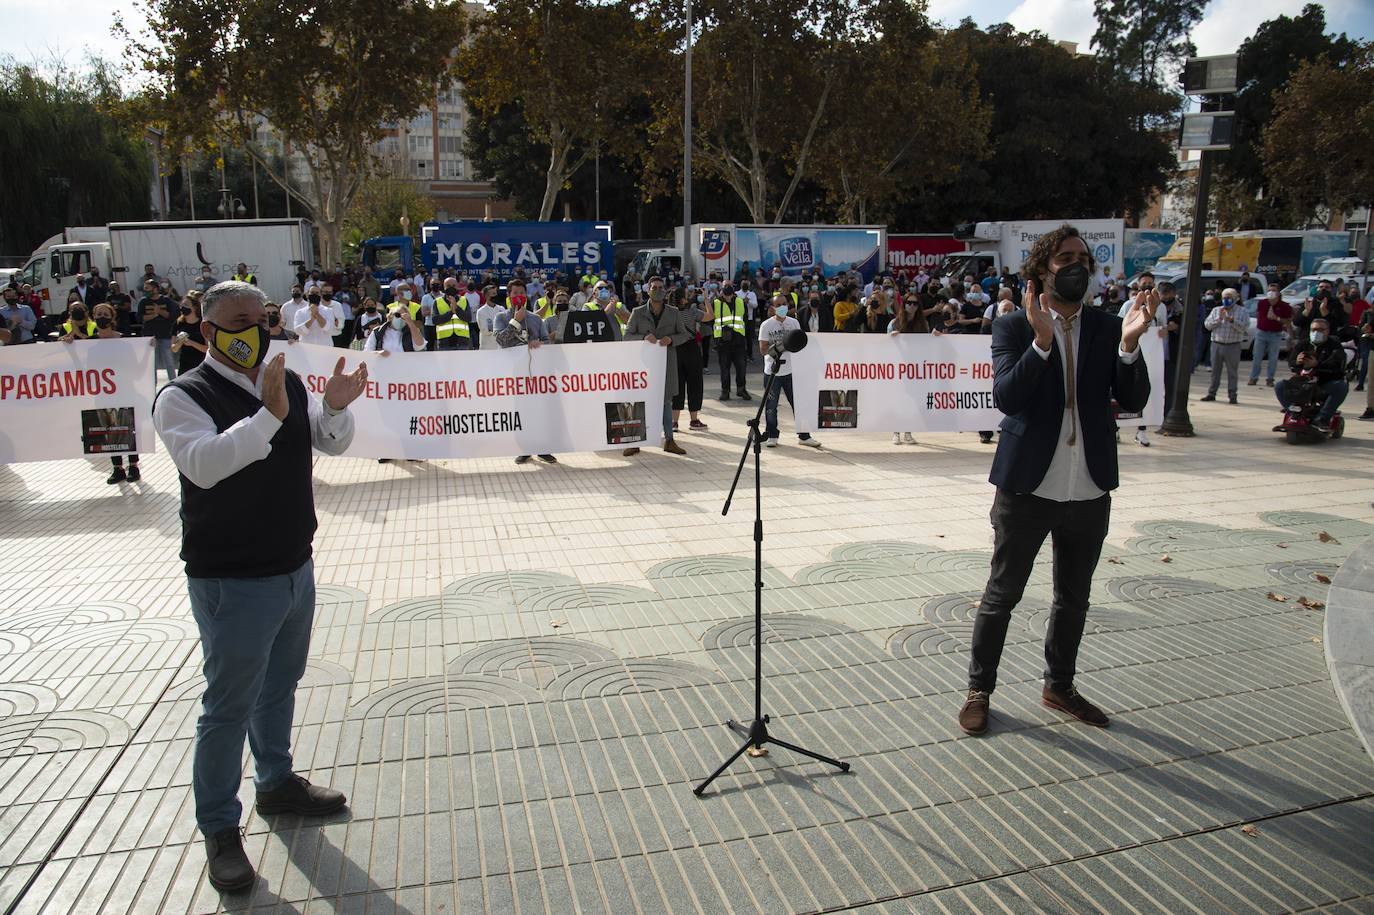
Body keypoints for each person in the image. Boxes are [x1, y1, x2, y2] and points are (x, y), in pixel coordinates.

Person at [152, 281, 367, 893]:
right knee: (227, 707)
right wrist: (268, 414)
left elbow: (325, 443)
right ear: (207, 327)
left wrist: (333, 407)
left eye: (261, 318)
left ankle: (275, 782)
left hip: (294, 564)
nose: (253, 329)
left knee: (280, 684)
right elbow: (207, 465)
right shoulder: (182, 396)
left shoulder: (286, 381)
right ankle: (221, 829)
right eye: (238, 320)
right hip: (233, 577)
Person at [958, 225, 1153, 737]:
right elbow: (1007, 398)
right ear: (1043, 268)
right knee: (1002, 595)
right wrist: (1042, 342)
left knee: (1074, 598)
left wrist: (1130, 348)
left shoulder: (1109, 326)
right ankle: (979, 690)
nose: (1077, 265)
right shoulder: (1013, 327)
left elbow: (1133, 400)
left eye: (1084, 258)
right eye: (1065, 257)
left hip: (1089, 487)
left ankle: (1059, 686)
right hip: (1027, 486)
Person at [623, 275, 689, 457]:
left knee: (666, 402)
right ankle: (635, 441)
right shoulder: (637, 312)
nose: (658, 290)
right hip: (642, 367)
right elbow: (627, 336)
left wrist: (671, 339)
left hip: (666, 364)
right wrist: (643, 338)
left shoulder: (674, 312)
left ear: (665, 291)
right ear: (647, 290)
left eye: (661, 288)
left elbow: (684, 335)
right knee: (638, 403)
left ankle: (669, 440)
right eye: (654, 287)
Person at [496, 281, 557, 465]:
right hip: (514, 374)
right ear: (509, 296)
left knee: (539, 411)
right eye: (515, 293)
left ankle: (543, 448)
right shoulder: (501, 317)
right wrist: (515, 320)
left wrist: (539, 344)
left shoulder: (536, 319)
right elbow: (501, 341)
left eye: (522, 292)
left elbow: (547, 342)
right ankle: (524, 449)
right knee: (521, 412)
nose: (519, 296)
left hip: (536, 375)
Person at [758, 294, 821, 449]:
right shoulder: (766, 325)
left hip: (792, 372)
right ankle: (772, 434)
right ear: (772, 307)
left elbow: (800, 344)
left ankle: (804, 436)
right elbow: (763, 350)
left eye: (784, 304)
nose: (781, 307)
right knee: (771, 406)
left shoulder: (794, 323)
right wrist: (781, 347)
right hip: (773, 372)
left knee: (798, 404)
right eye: (778, 304)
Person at [1117, 271, 1167, 447]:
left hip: (1151, 353)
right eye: (1144, 283)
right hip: (1132, 352)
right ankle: (1117, 428)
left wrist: (1163, 331)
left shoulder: (1160, 307)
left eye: (1150, 283)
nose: (1146, 285)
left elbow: (1163, 327)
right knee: (1124, 388)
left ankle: (1142, 430)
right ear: (1137, 285)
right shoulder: (1129, 305)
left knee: (1146, 390)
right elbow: (1120, 327)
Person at [1279, 318, 1347, 431]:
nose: (1316, 332)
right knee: (1280, 385)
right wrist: (1297, 362)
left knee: (1341, 386)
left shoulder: (1334, 346)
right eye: (1314, 329)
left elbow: (1336, 365)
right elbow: (1291, 362)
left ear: (1327, 331)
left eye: (1321, 329)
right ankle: (1293, 412)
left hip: (1323, 383)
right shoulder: (1303, 344)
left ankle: (1322, 419)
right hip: (1303, 382)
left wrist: (1317, 364)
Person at [673, 287, 710, 432]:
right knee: (695, 384)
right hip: (691, 349)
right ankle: (694, 420)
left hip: (675, 348)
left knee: (677, 386)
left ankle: (674, 422)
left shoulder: (670, 312)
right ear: (682, 298)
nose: (690, 296)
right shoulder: (693, 311)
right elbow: (710, 316)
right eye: (687, 294)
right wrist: (706, 299)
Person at [1201, 288, 1246, 404]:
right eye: (1224, 297)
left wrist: (1232, 321)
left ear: (1236, 298)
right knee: (1215, 371)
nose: (1226, 299)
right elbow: (1207, 325)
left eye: (1229, 297)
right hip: (1217, 343)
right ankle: (1211, 393)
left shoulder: (1242, 311)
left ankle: (1232, 395)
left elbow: (1243, 328)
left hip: (1233, 345)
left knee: (1232, 372)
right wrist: (1219, 319)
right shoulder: (1216, 310)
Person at [1249, 282, 1292, 389]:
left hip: (1275, 334)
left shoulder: (1285, 306)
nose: (1271, 293)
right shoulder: (1262, 303)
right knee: (1257, 357)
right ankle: (1253, 378)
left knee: (1273, 358)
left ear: (1278, 293)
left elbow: (1288, 321)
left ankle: (1270, 379)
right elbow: (1259, 315)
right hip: (1261, 333)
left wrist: (1276, 318)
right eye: (1269, 290)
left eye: (1273, 290)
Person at [714, 282, 751, 401]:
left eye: (729, 295)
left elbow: (745, 318)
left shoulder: (740, 302)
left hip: (738, 340)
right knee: (724, 368)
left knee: (741, 367)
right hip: (723, 341)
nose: (728, 297)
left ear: (733, 294)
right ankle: (725, 391)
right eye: (726, 295)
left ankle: (741, 389)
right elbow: (711, 319)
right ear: (722, 294)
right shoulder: (716, 303)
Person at [139, 280, 178, 383]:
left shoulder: (166, 300)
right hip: (150, 336)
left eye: (148, 288)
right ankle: (152, 384)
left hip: (165, 335)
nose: (146, 290)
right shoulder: (143, 301)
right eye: (145, 288)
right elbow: (140, 318)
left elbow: (172, 316)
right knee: (152, 363)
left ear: (155, 289)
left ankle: (174, 383)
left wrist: (159, 311)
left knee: (169, 362)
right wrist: (155, 315)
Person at [173, 295, 209, 375]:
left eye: (186, 304)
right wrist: (180, 342)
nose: (183, 307)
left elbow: (207, 349)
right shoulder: (179, 323)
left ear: (194, 307)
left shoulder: (202, 324)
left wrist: (191, 343)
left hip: (200, 365)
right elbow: (174, 349)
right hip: (184, 365)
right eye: (182, 305)